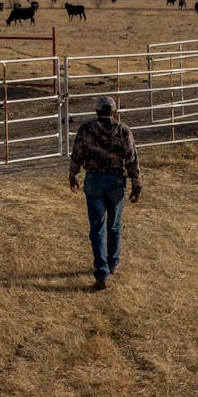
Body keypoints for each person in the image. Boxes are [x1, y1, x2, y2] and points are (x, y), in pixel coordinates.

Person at [68, 96, 142, 291]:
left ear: (96, 111)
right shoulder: (123, 131)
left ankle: (101, 271)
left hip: (93, 181)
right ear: (114, 112)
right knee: (114, 225)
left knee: (97, 228)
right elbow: (132, 159)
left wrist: (73, 175)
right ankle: (113, 263)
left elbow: (77, 154)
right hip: (116, 182)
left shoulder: (86, 129)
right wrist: (136, 185)